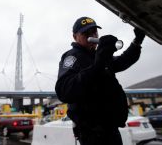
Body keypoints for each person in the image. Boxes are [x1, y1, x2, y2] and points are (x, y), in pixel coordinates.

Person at [55, 16, 145, 145]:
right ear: (75, 37)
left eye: (94, 32)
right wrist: (96, 66)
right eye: (86, 33)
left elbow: (121, 62)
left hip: (110, 128)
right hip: (91, 133)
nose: (91, 36)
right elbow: (64, 91)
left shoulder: (99, 55)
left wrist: (137, 41)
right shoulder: (72, 56)